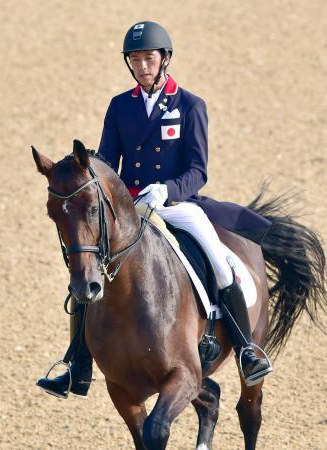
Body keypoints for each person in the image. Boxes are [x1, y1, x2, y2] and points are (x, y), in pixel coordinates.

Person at [37, 21, 272, 399]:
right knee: (87, 271)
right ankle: (76, 364)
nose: (142, 65)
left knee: (220, 261)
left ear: (164, 59)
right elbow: (107, 164)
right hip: (130, 209)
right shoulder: (120, 107)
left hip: (178, 204)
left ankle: (246, 348)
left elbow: (198, 171)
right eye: (135, 59)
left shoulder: (190, 105)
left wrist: (167, 190)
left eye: (148, 58)